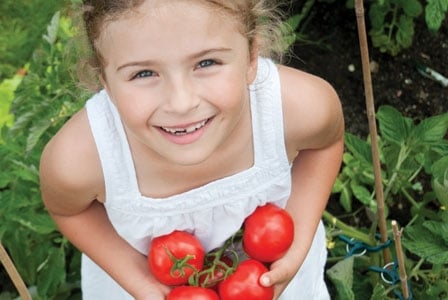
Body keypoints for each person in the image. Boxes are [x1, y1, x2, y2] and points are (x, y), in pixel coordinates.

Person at [39, 0, 344, 299]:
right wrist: (138, 279)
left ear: (252, 56)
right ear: (103, 79)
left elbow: (325, 143)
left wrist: (298, 237)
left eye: (206, 63)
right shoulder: (82, 158)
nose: (181, 103)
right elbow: (69, 209)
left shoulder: (295, 107)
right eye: (144, 73)